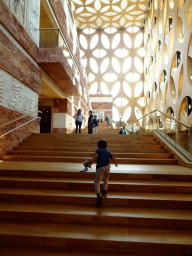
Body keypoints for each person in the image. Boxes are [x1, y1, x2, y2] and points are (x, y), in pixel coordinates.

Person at [87, 139, 118, 208]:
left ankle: (98, 194)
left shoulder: (98, 150)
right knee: (106, 179)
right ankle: (104, 191)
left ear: (98, 146)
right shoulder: (107, 151)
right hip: (107, 167)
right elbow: (113, 157)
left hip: (100, 167)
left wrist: (90, 163)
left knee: (97, 181)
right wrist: (116, 163)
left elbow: (95, 157)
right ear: (106, 146)